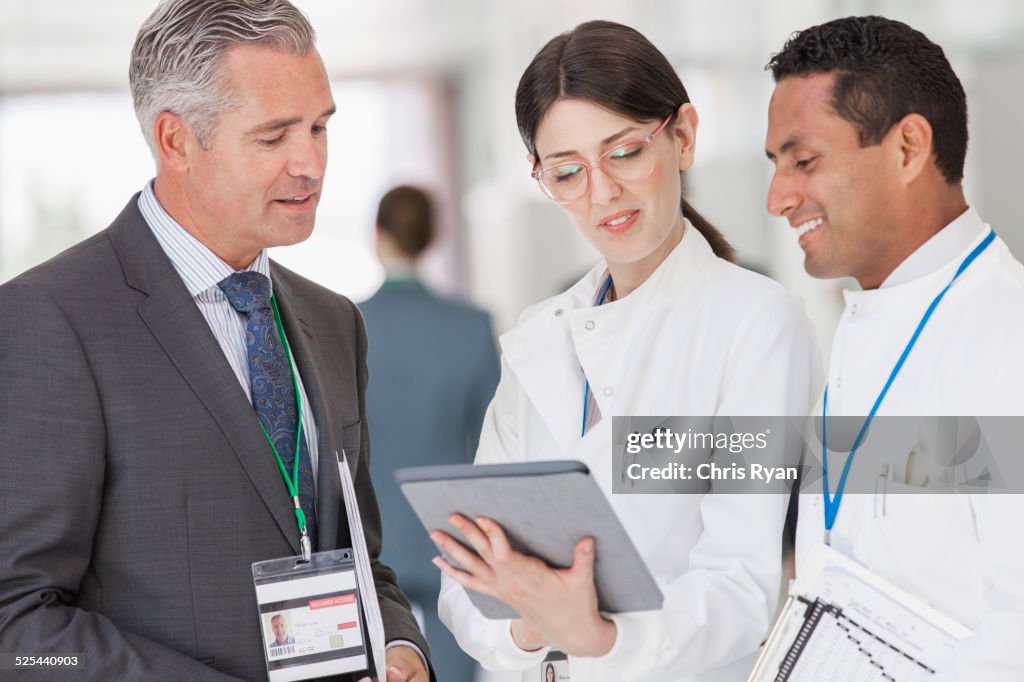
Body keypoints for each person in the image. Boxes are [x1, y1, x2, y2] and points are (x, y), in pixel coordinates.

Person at [0, 1, 431, 680]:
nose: (311, 163)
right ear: (176, 142)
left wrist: (400, 646)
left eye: (320, 127)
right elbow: (16, 628)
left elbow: (355, 558)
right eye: (273, 137)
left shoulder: (333, 322)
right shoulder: (51, 318)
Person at [434, 20, 821, 682]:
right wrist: (532, 623)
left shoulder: (753, 324)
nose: (602, 193)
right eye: (567, 172)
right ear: (540, 178)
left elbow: (741, 584)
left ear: (683, 136)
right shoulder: (538, 337)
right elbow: (465, 589)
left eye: (625, 152)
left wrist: (600, 637)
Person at [765, 15, 1024, 680]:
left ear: (908, 147)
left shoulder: (1005, 331)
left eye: (804, 160)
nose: (779, 197)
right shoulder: (871, 320)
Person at [361, 185, 500, 682]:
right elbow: (494, 440)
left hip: (369, 536)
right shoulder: (472, 326)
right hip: (452, 529)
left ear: (376, 235)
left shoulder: (342, 325)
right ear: (434, 236)